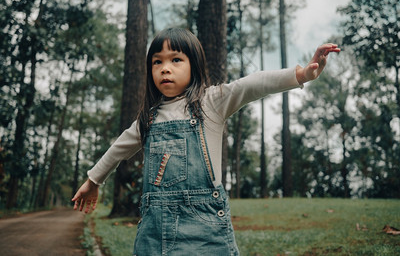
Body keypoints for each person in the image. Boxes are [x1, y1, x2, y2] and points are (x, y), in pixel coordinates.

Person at [72, 27, 340, 255]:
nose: (165, 68)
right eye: (157, 62)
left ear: (194, 66)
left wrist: (301, 75)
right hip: (154, 232)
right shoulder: (148, 119)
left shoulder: (211, 102)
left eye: (176, 60)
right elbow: (118, 149)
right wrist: (93, 181)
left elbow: (252, 84)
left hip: (206, 227)